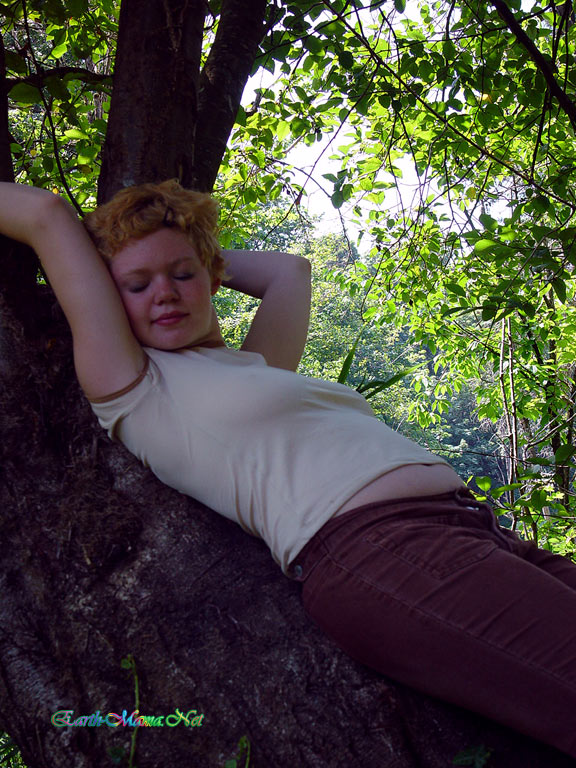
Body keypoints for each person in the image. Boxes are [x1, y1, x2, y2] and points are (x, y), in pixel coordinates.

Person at [1, 179, 575, 759]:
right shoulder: (136, 387)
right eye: (137, 284)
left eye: (182, 275)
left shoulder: (255, 366)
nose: (166, 294)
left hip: (474, 533)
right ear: (107, 294)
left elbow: (289, 271)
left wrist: (198, 250)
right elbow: (43, 212)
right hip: (379, 550)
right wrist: (130, 259)